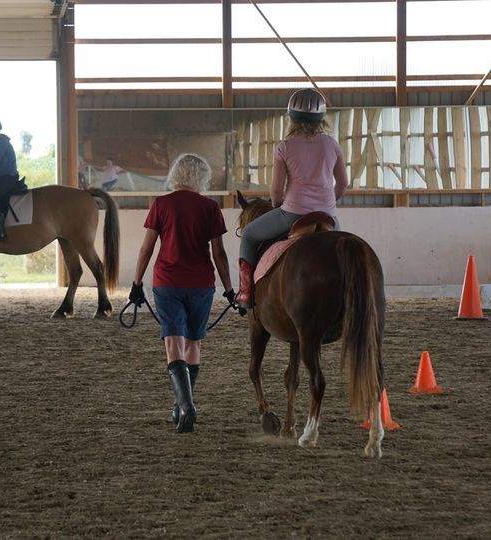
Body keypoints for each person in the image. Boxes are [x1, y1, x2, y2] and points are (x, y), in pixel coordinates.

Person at [130, 153, 235, 434]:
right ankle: (183, 404)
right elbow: (219, 254)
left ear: (176, 175)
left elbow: (147, 248)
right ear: (201, 177)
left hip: (167, 282)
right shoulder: (210, 208)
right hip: (201, 284)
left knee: (172, 342)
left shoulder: (162, 204)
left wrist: (137, 282)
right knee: (193, 343)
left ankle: (184, 405)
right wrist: (229, 289)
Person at [235, 88, 349, 309]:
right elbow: (343, 183)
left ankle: (246, 294)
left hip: (292, 213)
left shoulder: (284, 147)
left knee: (248, 235)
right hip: (328, 216)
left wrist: (277, 205)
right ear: (321, 118)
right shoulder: (332, 145)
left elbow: (276, 191)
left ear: (291, 118)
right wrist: (328, 203)